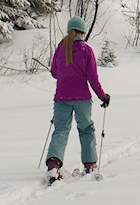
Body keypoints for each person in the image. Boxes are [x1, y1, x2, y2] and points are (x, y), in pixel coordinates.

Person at [45, 16, 110, 180]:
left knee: (60, 130)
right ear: (82, 32)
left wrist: (66, 76)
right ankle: (89, 166)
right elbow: (92, 78)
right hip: (82, 99)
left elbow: (54, 72)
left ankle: (53, 166)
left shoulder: (61, 48)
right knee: (86, 129)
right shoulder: (86, 50)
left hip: (61, 98)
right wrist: (103, 96)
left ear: (69, 31)